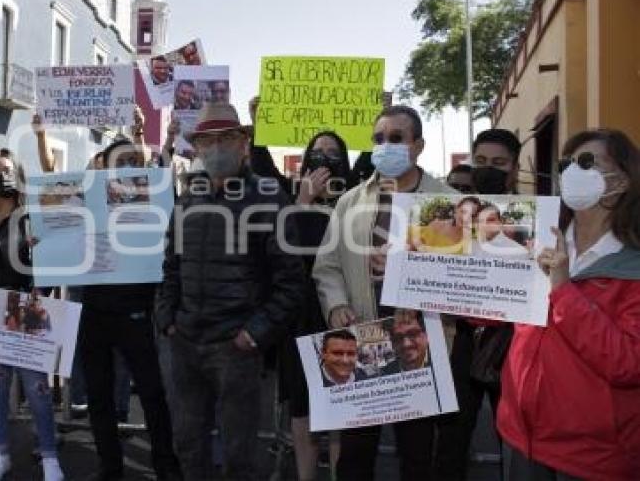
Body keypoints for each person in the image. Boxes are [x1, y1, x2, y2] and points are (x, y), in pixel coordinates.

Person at [156, 102, 305, 480]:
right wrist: (167, 319)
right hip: (186, 343)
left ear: (243, 143)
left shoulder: (270, 198)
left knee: (239, 453)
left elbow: (291, 281)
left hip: (236, 348)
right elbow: (171, 266)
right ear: (199, 148)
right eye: (207, 140)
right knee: (188, 446)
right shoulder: (188, 197)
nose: (215, 147)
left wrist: (253, 335)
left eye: (225, 137)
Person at [312, 105, 455, 480]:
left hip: (419, 341)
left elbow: (460, 277)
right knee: (355, 456)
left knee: (418, 453)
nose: (385, 145)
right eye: (378, 139)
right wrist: (337, 306)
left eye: (396, 138)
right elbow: (327, 267)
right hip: (364, 337)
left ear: (418, 145)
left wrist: (406, 269)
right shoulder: (349, 201)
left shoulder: (450, 202)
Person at [498, 129, 640, 480]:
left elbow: (628, 363)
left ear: (622, 180)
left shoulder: (633, 267)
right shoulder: (537, 240)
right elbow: (503, 315)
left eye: (587, 162)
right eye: (567, 163)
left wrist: (563, 290)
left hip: (593, 455)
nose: (572, 171)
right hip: (521, 436)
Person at [78, 140, 181, 481]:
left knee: (152, 392)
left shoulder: (152, 199)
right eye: (120, 160)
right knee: (98, 395)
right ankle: (110, 467)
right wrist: (44, 243)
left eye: (134, 160)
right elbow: (60, 243)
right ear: (103, 165)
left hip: (136, 309)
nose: (128, 166)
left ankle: (165, 465)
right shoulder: (84, 203)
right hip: (94, 311)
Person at [434, 128, 523, 481]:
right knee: (452, 438)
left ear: (514, 169)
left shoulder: (536, 216)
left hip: (511, 343)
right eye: (482, 161)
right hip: (462, 339)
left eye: (499, 163)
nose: (489, 169)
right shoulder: (452, 215)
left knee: (514, 439)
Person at [0, 149, 65, 481]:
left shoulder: (32, 214)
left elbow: (55, 258)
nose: (3, 176)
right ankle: (0, 453)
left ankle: (50, 454)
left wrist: (43, 286)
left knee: (37, 387)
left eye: (8, 170)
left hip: (28, 308)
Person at [280, 129, 353, 480]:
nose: (324, 158)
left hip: (343, 315)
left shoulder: (356, 201)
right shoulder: (290, 203)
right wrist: (304, 203)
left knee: (341, 410)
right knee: (303, 410)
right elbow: (287, 255)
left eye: (332, 152)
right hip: (300, 315)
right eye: (317, 152)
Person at [382, 310, 430, 375]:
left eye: (412, 334)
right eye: (398, 338)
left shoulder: (443, 367)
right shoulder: (383, 374)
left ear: (426, 336)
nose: (406, 344)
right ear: (392, 343)